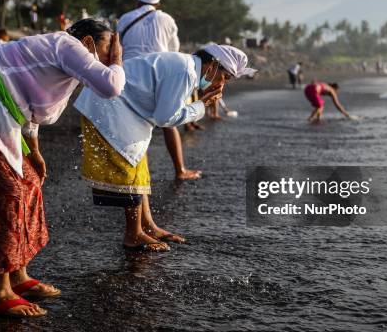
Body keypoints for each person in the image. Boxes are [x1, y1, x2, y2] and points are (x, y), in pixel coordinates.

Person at [0, 18, 125, 318]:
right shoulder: (68, 46)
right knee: (5, 191)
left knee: (29, 181)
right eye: (109, 45)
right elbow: (111, 87)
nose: (111, 53)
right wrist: (118, 60)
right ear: (88, 42)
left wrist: (35, 152)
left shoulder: (62, 56)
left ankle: (17, 275)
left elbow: (30, 102)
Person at [74, 44, 255, 252]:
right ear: (213, 65)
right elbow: (166, 117)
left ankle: (148, 226)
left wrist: (199, 105)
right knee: (130, 172)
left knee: (139, 170)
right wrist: (201, 106)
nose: (222, 84)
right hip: (109, 107)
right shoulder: (186, 71)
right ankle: (133, 235)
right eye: (225, 77)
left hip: (119, 106)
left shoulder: (186, 67)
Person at [117, 0, 201, 180]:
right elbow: (174, 51)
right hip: (159, 76)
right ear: (158, 4)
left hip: (130, 76)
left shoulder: (125, 19)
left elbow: (117, 47)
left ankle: (136, 177)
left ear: (137, 1)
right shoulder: (167, 19)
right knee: (169, 122)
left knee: (135, 126)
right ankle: (180, 170)